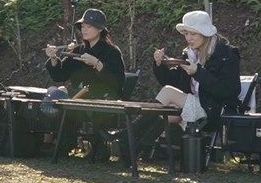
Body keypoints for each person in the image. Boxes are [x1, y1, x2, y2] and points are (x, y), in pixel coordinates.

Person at [104, 10, 241, 164]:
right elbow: (171, 81)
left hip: (214, 110)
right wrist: (160, 64)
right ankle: (133, 149)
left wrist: (198, 73)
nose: (188, 38)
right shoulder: (189, 55)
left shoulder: (227, 55)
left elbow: (230, 90)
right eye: (186, 34)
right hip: (194, 106)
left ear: (204, 33)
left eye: (193, 34)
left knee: (168, 95)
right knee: (164, 113)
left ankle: (126, 136)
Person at [42, 8, 126, 156]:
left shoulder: (111, 51)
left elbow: (117, 82)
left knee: (62, 94)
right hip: (78, 96)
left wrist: (98, 64)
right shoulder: (79, 50)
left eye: (89, 26)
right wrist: (54, 59)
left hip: (101, 98)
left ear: (100, 29)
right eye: (83, 26)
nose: (84, 30)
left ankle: (63, 145)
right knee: (54, 92)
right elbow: (61, 75)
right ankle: (52, 142)